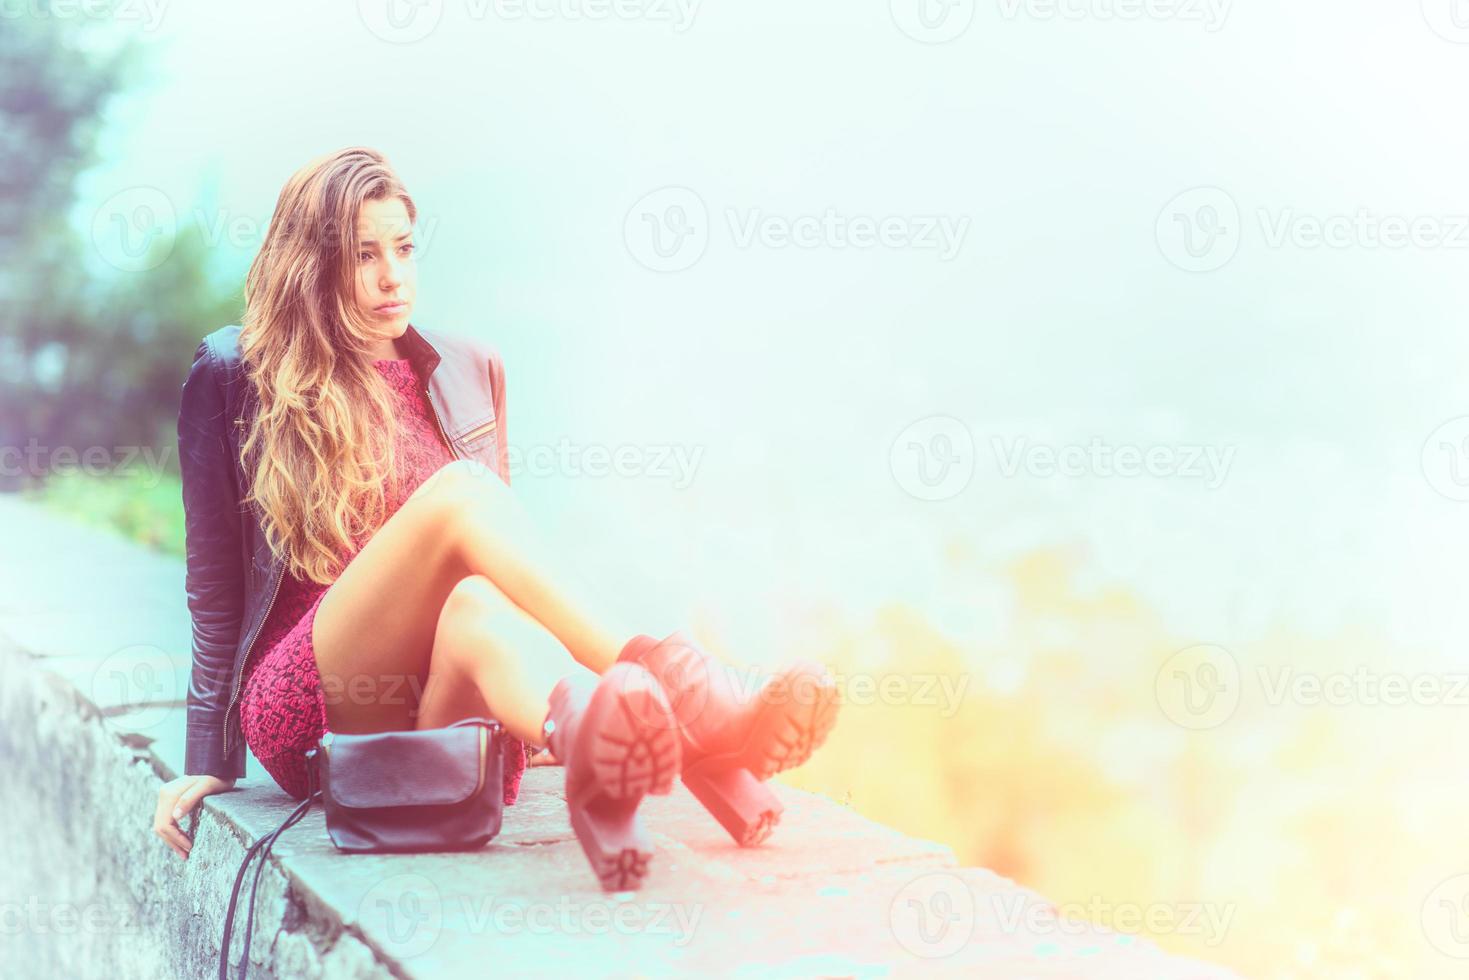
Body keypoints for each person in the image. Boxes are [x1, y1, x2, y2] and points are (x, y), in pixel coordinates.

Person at [152, 146, 839, 890]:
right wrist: (206, 762)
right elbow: (215, 593)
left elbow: (510, 570)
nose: (393, 276)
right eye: (363, 255)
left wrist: (544, 687)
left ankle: (591, 746)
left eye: (405, 249)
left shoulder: (470, 368)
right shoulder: (234, 374)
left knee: (479, 597)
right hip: (317, 702)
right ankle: (691, 689)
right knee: (461, 492)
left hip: (444, 706)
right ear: (310, 266)